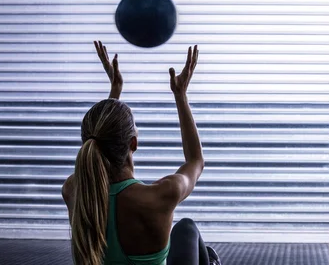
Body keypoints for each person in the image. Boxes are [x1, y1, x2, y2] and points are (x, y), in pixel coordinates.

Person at [61, 42, 221, 265]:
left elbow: (101, 138)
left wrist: (115, 89)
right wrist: (180, 94)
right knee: (186, 229)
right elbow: (196, 160)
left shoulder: (74, 192)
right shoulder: (159, 197)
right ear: (133, 143)